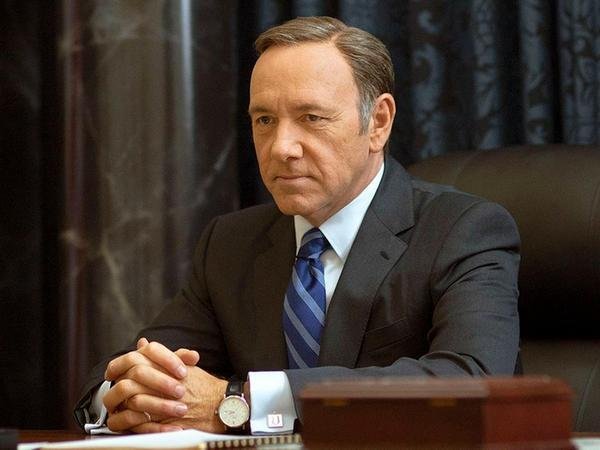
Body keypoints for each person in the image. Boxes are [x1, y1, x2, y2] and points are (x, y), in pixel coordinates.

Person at [75, 16, 520, 435]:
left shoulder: (462, 230)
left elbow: (474, 380)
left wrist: (239, 402)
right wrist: (129, 395)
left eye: (311, 118)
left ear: (378, 122)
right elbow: (132, 368)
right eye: (265, 120)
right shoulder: (231, 242)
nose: (281, 147)